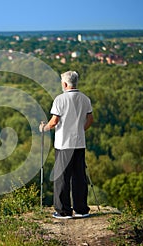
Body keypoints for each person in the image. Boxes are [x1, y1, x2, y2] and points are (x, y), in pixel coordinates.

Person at [39, 71, 93, 219]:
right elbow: (90, 119)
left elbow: (54, 121)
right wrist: (80, 130)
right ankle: (81, 209)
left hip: (64, 144)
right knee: (79, 176)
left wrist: (44, 128)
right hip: (79, 143)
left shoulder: (60, 99)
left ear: (64, 84)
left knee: (62, 178)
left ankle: (63, 211)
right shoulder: (85, 99)